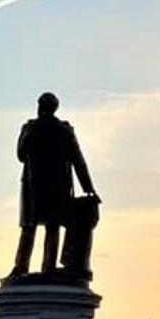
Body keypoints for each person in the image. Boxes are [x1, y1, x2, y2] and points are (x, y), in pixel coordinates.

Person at [10, 92, 99, 277]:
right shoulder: (63, 130)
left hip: (35, 186)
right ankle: (47, 267)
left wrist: (28, 132)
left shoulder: (31, 128)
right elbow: (78, 161)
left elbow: (19, 154)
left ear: (40, 107)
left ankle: (21, 267)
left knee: (30, 228)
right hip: (54, 187)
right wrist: (89, 188)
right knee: (51, 227)